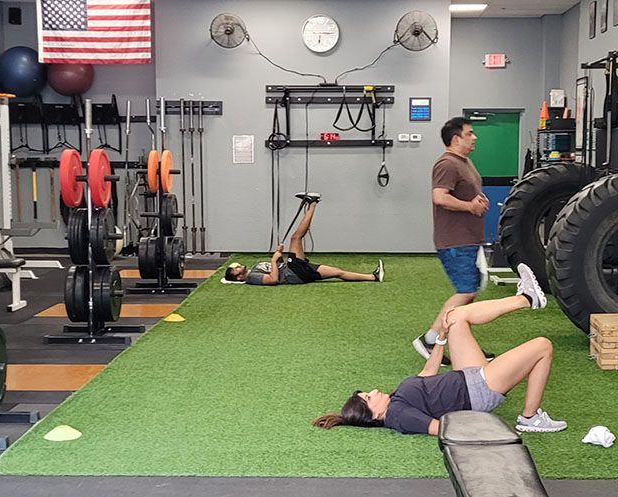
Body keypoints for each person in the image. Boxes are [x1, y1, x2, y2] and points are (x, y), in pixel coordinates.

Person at [313, 263, 566, 435]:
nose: (374, 391)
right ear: (374, 414)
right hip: (478, 390)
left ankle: (527, 299)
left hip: (467, 376)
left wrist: (442, 339)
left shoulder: (397, 400)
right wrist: (485, 431)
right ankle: (530, 418)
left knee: (455, 317)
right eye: (369, 397)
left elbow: (427, 373)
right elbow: (441, 428)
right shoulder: (398, 416)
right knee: (542, 346)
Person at [413, 117, 492, 363]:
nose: (474, 137)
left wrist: (479, 201)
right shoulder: (447, 164)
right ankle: (430, 339)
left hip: (468, 239)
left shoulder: (465, 162)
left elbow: (466, 194)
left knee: (470, 292)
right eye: (469, 133)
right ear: (456, 139)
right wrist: (470, 206)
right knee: (466, 291)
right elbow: (440, 197)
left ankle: (461, 344)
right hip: (455, 241)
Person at [223, 194, 384, 285]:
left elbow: (277, 266)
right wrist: (273, 259)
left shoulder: (254, 268)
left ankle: (373, 277)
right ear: (238, 277)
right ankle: (313, 203)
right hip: (293, 272)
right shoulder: (252, 277)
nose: (237, 266)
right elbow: (273, 280)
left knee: (338, 272)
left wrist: (278, 254)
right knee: (296, 238)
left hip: (296, 270)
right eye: (235, 269)